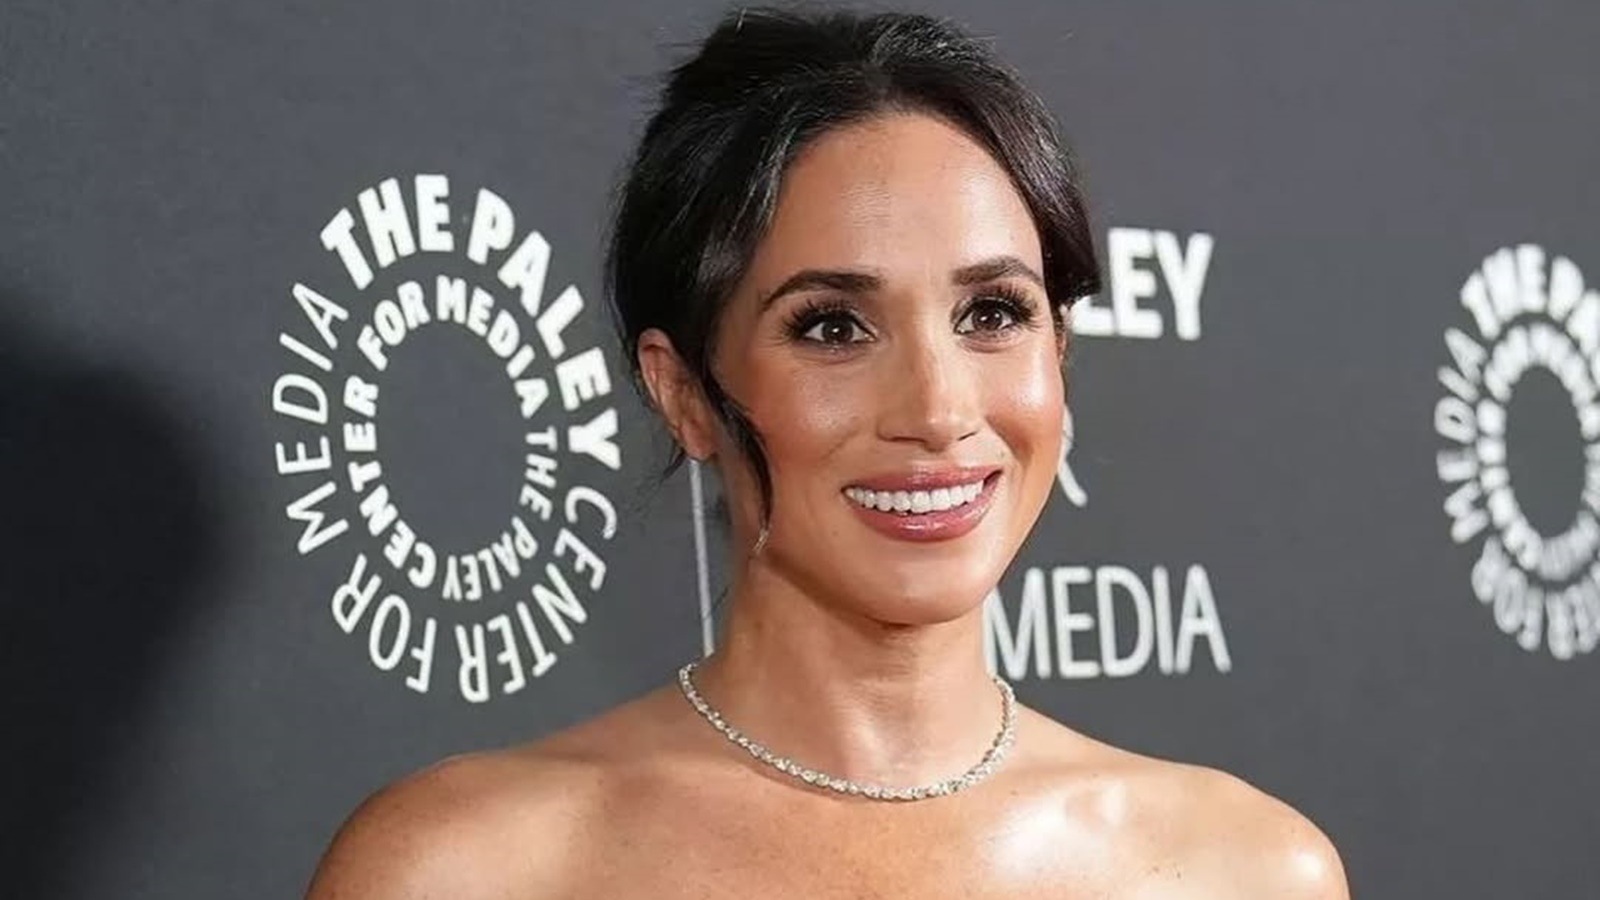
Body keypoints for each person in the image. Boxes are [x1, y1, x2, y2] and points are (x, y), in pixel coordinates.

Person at [306, 7, 1349, 898]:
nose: (938, 409)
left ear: (1058, 350)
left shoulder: (1246, 870)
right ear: (683, 393)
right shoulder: (466, 869)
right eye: (832, 327)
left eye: (992, 313)